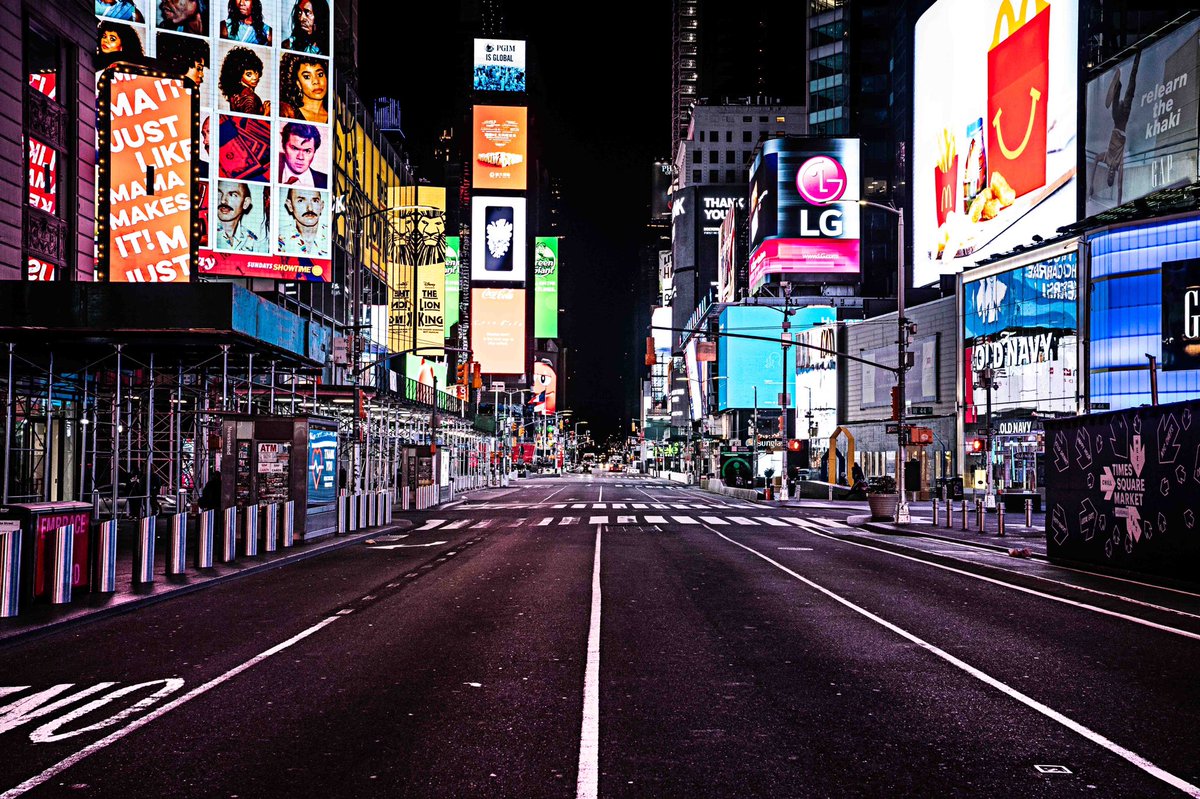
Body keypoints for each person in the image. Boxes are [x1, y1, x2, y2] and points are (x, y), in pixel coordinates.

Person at [215, 180, 266, 252]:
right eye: (219, 193)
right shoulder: (207, 233)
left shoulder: (252, 241)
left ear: (245, 203)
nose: (223, 200)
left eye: (233, 195)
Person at [278, 187, 329, 257]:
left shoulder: (332, 236)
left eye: (315, 201)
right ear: (290, 205)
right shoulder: (280, 236)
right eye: (301, 201)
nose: (310, 208)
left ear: (321, 206)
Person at [278, 53, 327, 124]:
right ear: (298, 83)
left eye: (320, 74)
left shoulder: (336, 119)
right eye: (307, 77)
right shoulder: (288, 115)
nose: (316, 81)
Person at [220, 46, 268, 115]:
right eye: (249, 74)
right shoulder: (250, 97)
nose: (255, 77)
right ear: (238, 75)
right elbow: (250, 124)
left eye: (256, 73)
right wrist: (266, 114)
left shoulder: (234, 94)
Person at [277, 122, 327, 188]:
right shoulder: (265, 176)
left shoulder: (327, 181)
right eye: (294, 148)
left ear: (314, 152)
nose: (300, 157)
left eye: (307, 151)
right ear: (284, 147)